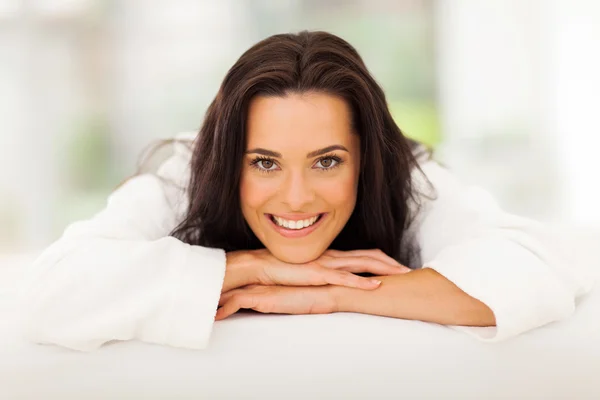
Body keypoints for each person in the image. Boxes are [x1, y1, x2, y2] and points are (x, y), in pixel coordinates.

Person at [18, 31, 591, 352]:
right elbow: (51, 291)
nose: (295, 197)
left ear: (364, 159)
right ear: (226, 160)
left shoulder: (405, 178)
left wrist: (335, 293)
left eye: (327, 161)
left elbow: (538, 264)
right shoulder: (185, 174)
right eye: (264, 162)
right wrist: (249, 268)